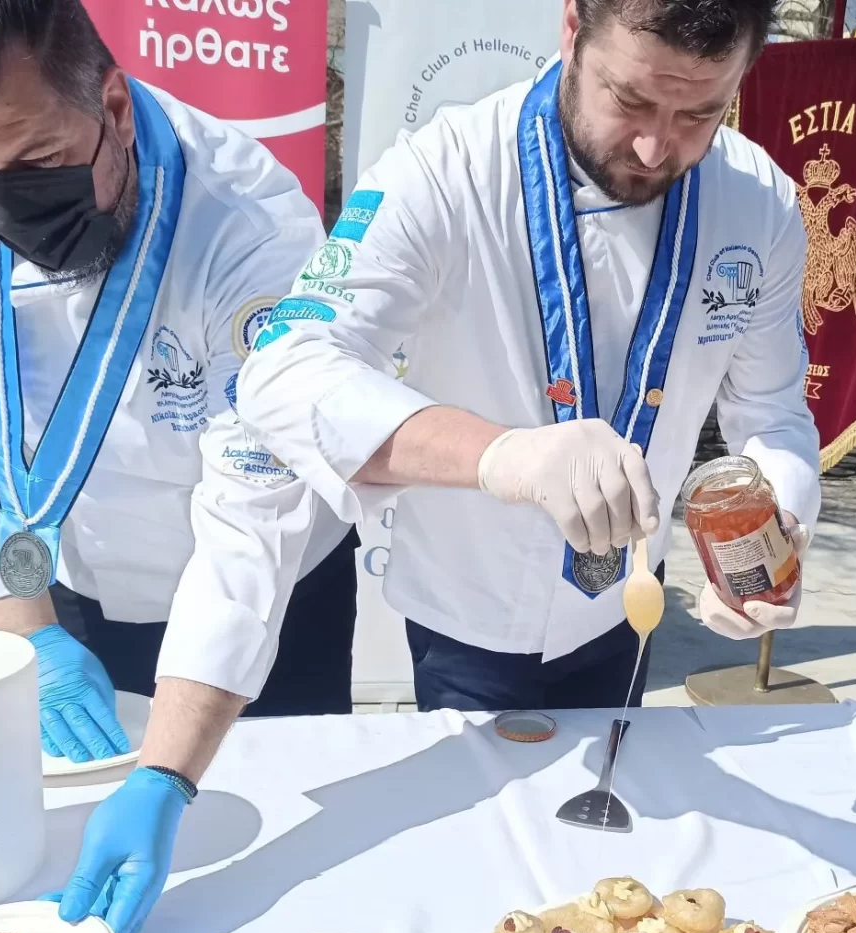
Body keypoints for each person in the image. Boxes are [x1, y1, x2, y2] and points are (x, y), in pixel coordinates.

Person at [0, 0, 352, 933]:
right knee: (89, 878)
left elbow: (254, 508)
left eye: (37, 163)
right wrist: (29, 631)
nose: (4, 203)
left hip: (266, 597)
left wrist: (168, 772)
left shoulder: (251, 224)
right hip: (74, 585)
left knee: (285, 877)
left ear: (116, 107)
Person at [236, 0, 821, 711]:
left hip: (629, 600)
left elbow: (771, 409)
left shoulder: (760, 202)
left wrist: (779, 523)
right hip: (469, 609)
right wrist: (504, 456)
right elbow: (284, 371)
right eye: (629, 101)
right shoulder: (445, 169)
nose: (653, 149)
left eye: (700, 114)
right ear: (572, 30)